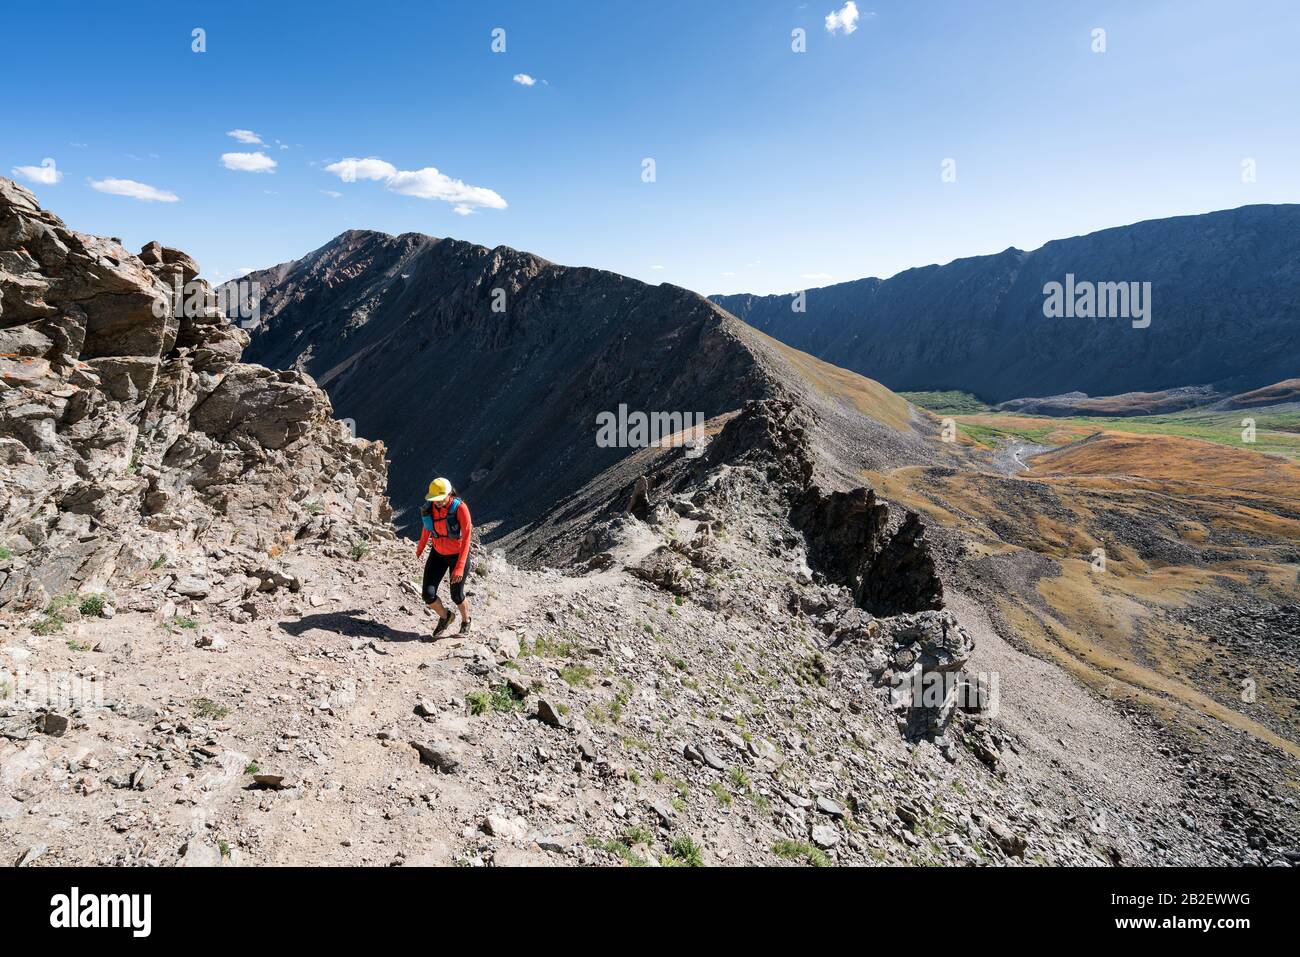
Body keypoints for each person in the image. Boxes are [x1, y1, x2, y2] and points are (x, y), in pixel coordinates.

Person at [416, 477, 473, 638]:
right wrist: (420, 548)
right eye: (435, 499)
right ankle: (446, 616)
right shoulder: (429, 508)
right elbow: (427, 529)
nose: (438, 502)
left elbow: (467, 535)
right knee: (428, 595)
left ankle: (466, 621)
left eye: (441, 499)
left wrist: (460, 566)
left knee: (456, 595)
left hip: (457, 556)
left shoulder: (460, 508)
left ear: (449, 494)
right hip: (437, 554)